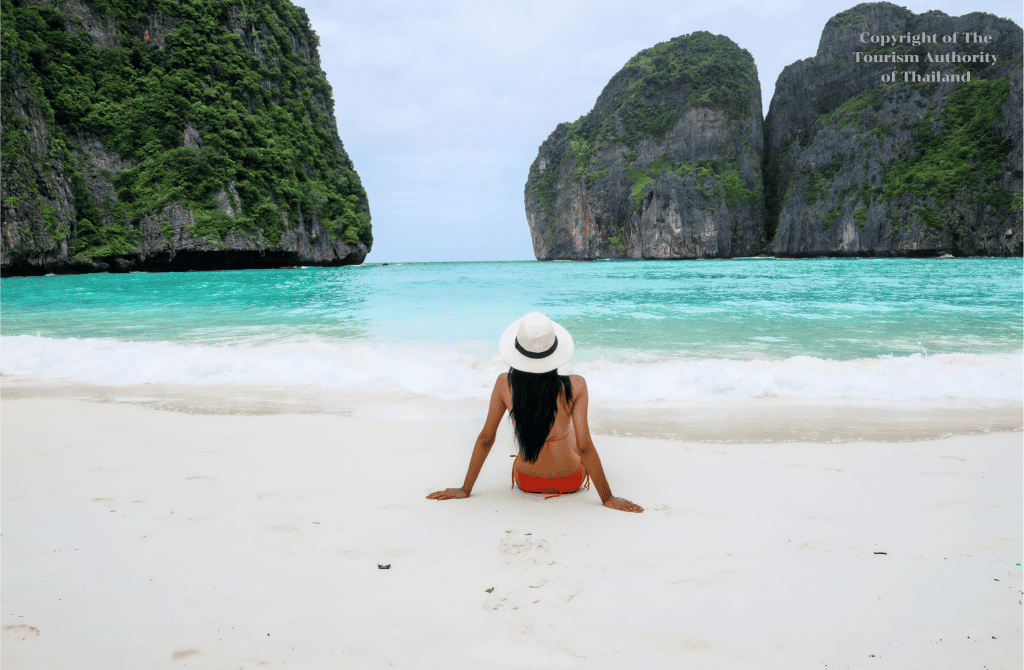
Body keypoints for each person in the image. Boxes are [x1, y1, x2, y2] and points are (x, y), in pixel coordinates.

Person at [427, 312, 643, 513]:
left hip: (527, 481)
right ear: (555, 351)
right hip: (570, 482)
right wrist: (607, 498)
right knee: (570, 436)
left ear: (518, 350)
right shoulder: (576, 385)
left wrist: (465, 489)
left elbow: (486, 438)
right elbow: (584, 445)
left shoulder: (504, 383)